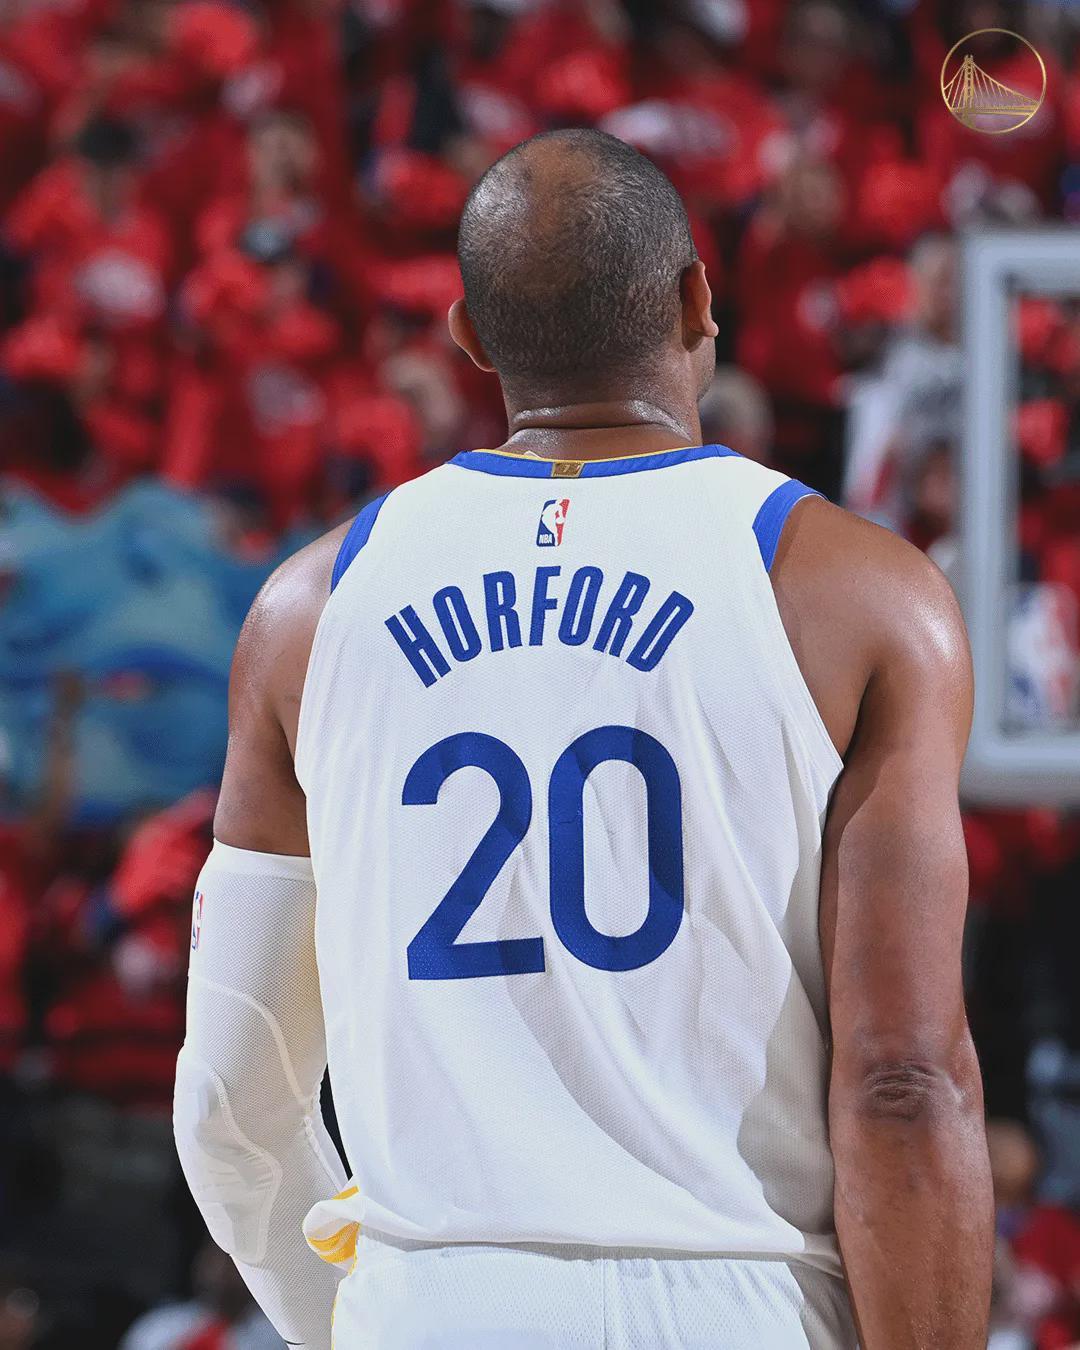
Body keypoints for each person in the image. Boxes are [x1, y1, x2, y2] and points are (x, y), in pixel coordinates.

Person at [174, 128, 993, 1348]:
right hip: (742, 1302)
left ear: (468, 335)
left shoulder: (309, 610)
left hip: (437, 1307)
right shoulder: (864, 595)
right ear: (698, 300)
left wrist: (356, 1318)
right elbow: (903, 1082)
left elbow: (230, 1101)